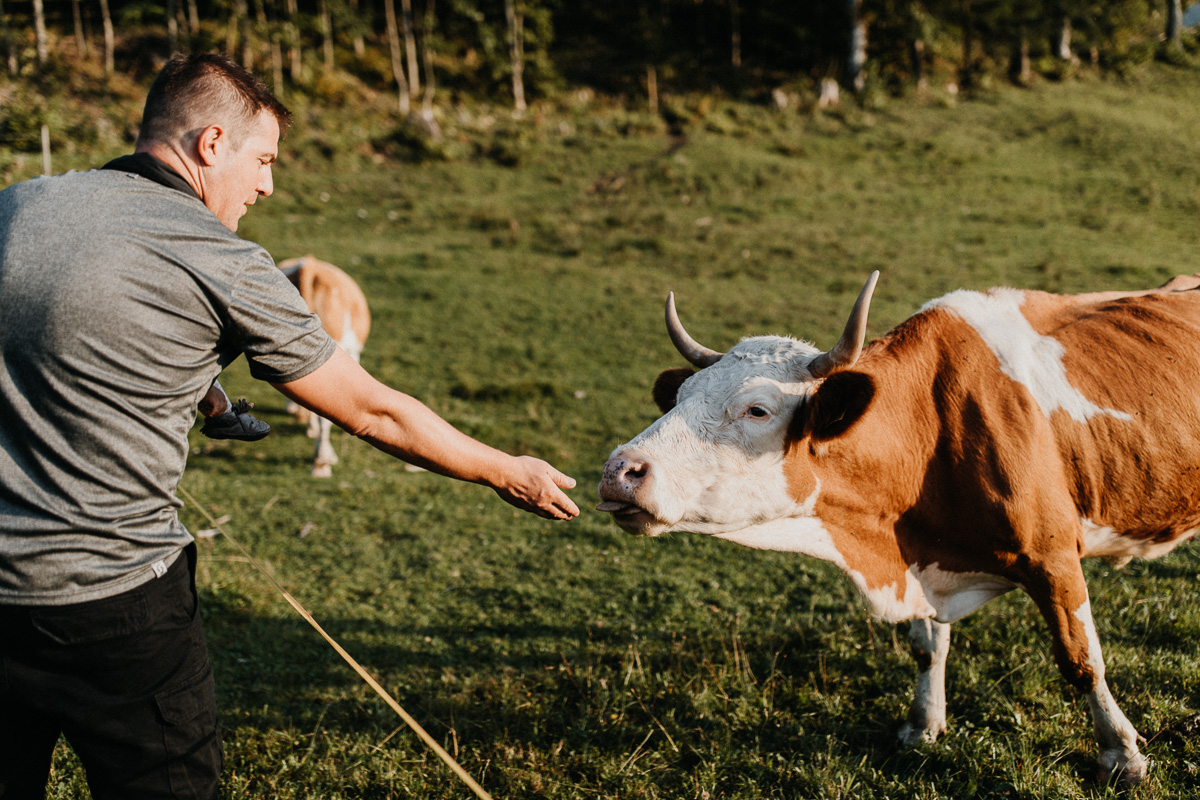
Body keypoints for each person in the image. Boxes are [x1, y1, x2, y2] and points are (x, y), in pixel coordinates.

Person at [0, 53, 578, 800]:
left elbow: (62, 327)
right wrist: (506, 469)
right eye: (263, 159)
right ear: (211, 144)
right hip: (117, 608)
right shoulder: (223, 259)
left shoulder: (19, 205)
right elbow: (369, 409)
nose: (268, 185)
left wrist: (200, 388)